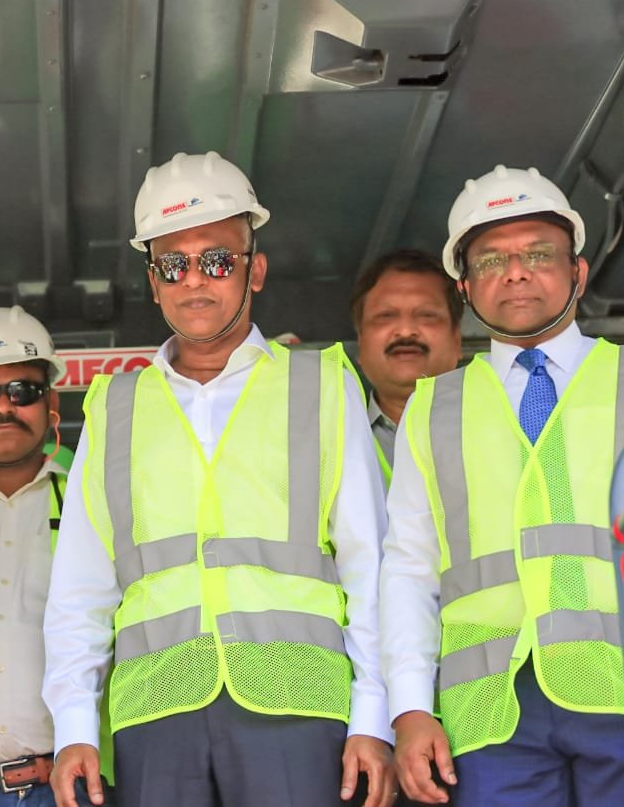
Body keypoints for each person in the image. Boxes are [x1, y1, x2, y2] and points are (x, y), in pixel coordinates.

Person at [381, 165, 624, 805]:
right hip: (492, 713)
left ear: (578, 273)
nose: (516, 272)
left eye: (537, 254)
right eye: (491, 259)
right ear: (464, 287)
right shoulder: (433, 406)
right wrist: (410, 707)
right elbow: (409, 570)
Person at [43, 151, 396, 807]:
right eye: (172, 264)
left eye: (216, 260)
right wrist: (73, 725)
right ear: (153, 283)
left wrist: (375, 714)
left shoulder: (321, 384)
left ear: (253, 269)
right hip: (155, 712)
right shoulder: (114, 406)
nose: (193, 281)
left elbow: (369, 563)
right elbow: (80, 585)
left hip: (298, 705)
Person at [0, 305, 110, 805]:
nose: (2, 407)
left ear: (51, 402)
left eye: (22, 391)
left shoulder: (90, 501)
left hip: (69, 788)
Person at [351, 249, 463, 487]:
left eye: (427, 315)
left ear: (457, 339)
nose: (405, 330)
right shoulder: (329, 440)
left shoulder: (500, 429)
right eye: (385, 315)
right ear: (361, 342)